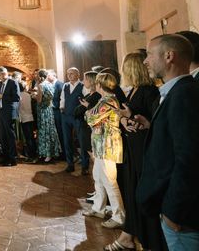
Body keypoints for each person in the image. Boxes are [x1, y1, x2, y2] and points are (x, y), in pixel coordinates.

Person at [137, 34, 199, 250]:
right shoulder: (178, 91)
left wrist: (175, 211)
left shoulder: (184, 94)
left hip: (181, 217)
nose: (145, 61)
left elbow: (190, 159)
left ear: (169, 56)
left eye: (149, 54)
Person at [102, 53, 163, 251]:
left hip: (141, 150)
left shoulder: (149, 91)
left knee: (140, 194)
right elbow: (126, 115)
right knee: (131, 193)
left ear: (131, 68)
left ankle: (140, 238)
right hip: (131, 148)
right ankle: (130, 234)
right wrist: (123, 119)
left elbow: (153, 121)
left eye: (124, 66)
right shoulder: (133, 90)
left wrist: (131, 117)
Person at [84, 73, 125, 229]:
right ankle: (98, 208)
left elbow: (90, 118)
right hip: (100, 144)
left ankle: (119, 216)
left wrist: (88, 114)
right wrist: (89, 114)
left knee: (109, 181)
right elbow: (91, 116)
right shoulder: (104, 100)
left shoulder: (108, 101)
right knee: (98, 177)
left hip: (108, 145)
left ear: (101, 85)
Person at [60, 68, 88, 174]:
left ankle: (84, 166)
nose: (69, 75)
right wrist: (62, 107)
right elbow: (62, 98)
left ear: (78, 74)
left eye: (72, 73)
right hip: (66, 116)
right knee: (67, 140)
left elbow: (86, 99)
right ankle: (70, 164)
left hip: (78, 117)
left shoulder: (82, 86)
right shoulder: (65, 85)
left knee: (82, 140)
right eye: (68, 74)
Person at [0, 67, 20, 166]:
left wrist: (2, 96)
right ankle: (5, 157)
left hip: (9, 112)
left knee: (9, 135)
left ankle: (13, 159)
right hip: (1, 111)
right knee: (2, 135)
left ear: (4, 74)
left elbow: (16, 97)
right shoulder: (0, 84)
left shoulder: (13, 82)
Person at [34, 69, 62, 163]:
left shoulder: (41, 85)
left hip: (42, 110)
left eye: (37, 75)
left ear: (40, 76)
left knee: (44, 131)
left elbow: (39, 100)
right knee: (50, 130)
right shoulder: (50, 84)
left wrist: (34, 95)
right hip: (49, 110)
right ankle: (53, 152)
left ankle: (46, 154)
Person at [18, 78, 37, 163]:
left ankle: (31, 156)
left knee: (28, 138)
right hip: (30, 117)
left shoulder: (18, 96)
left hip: (24, 118)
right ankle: (33, 155)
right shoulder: (28, 95)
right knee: (31, 138)